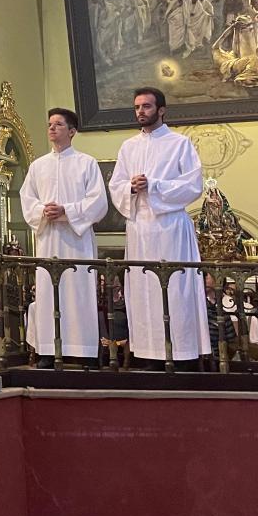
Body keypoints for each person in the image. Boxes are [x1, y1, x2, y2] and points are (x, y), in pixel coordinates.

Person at [108, 87, 208, 369]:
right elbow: (116, 185)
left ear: (161, 110)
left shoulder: (179, 143)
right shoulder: (128, 147)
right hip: (140, 228)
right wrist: (130, 187)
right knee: (143, 291)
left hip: (170, 227)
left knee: (175, 290)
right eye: (137, 107)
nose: (141, 111)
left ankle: (182, 353)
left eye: (147, 106)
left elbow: (193, 184)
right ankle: (148, 353)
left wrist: (154, 185)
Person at [20, 107, 107, 368]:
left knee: (79, 293)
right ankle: (48, 350)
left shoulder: (86, 163)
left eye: (58, 124)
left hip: (77, 241)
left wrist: (67, 211)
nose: (52, 128)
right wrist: (43, 211)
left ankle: (85, 352)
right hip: (48, 240)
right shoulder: (38, 166)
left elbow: (98, 202)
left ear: (72, 131)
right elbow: (27, 199)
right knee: (49, 293)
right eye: (49, 124)